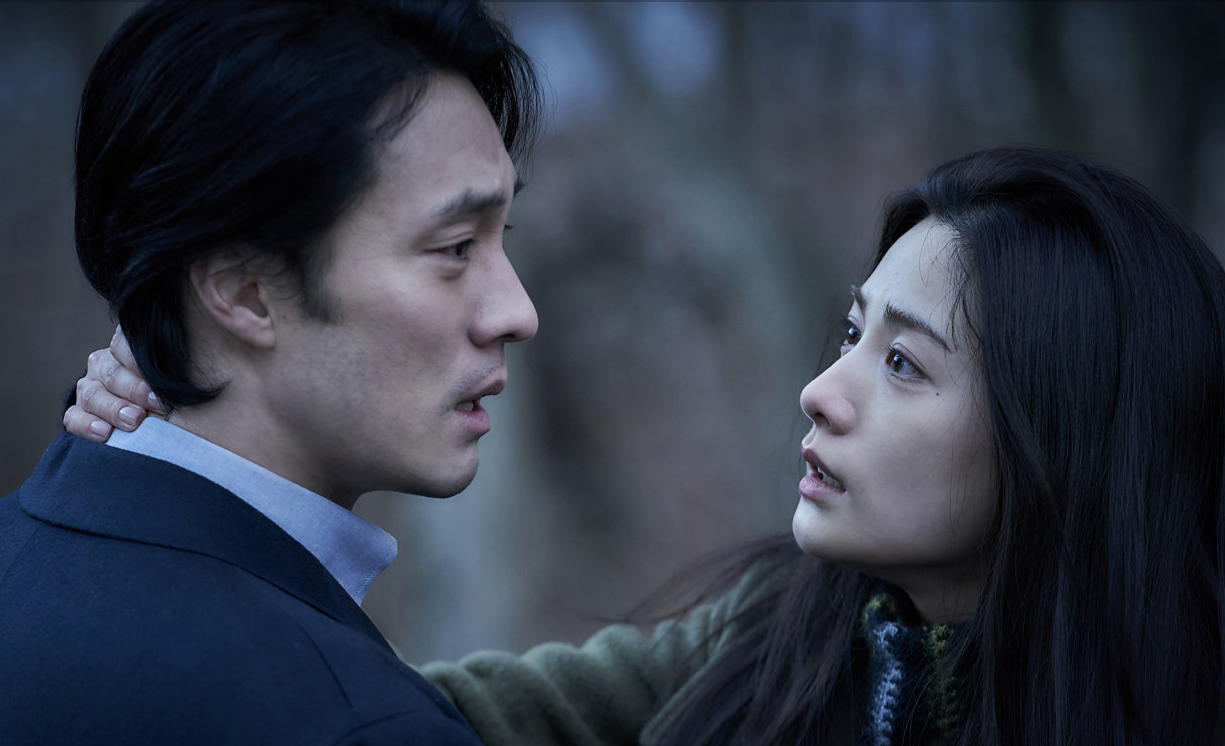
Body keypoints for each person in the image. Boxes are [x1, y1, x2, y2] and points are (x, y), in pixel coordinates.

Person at [65, 146, 1225, 744]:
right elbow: (389, 719)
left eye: (905, 364)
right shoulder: (776, 633)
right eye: (850, 333)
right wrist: (196, 423)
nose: (822, 392)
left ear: (1062, 434)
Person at [1, 1, 541, 743]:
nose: (517, 312)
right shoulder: (347, 719)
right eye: (454, 247)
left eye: (500, 235)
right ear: (243, 291)